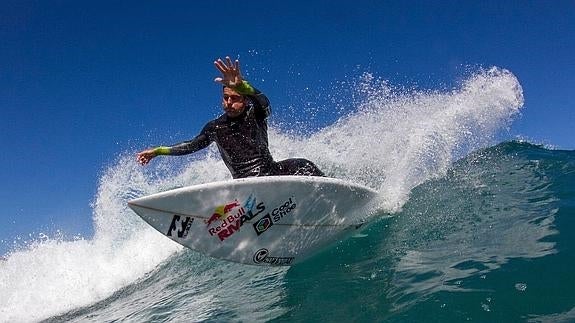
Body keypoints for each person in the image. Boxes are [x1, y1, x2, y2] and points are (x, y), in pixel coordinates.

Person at [137, 56, 324, 179]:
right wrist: (158, 151)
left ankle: (341, 200)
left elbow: (264, 102)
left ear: (244, 100)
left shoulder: (255, 113)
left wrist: (245, 88)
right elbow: (190, 146)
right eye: (225, 98)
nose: (228, 102)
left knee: (304, 165)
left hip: (270, 174)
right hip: (243, 184)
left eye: (235, 98)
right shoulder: (215, 127)